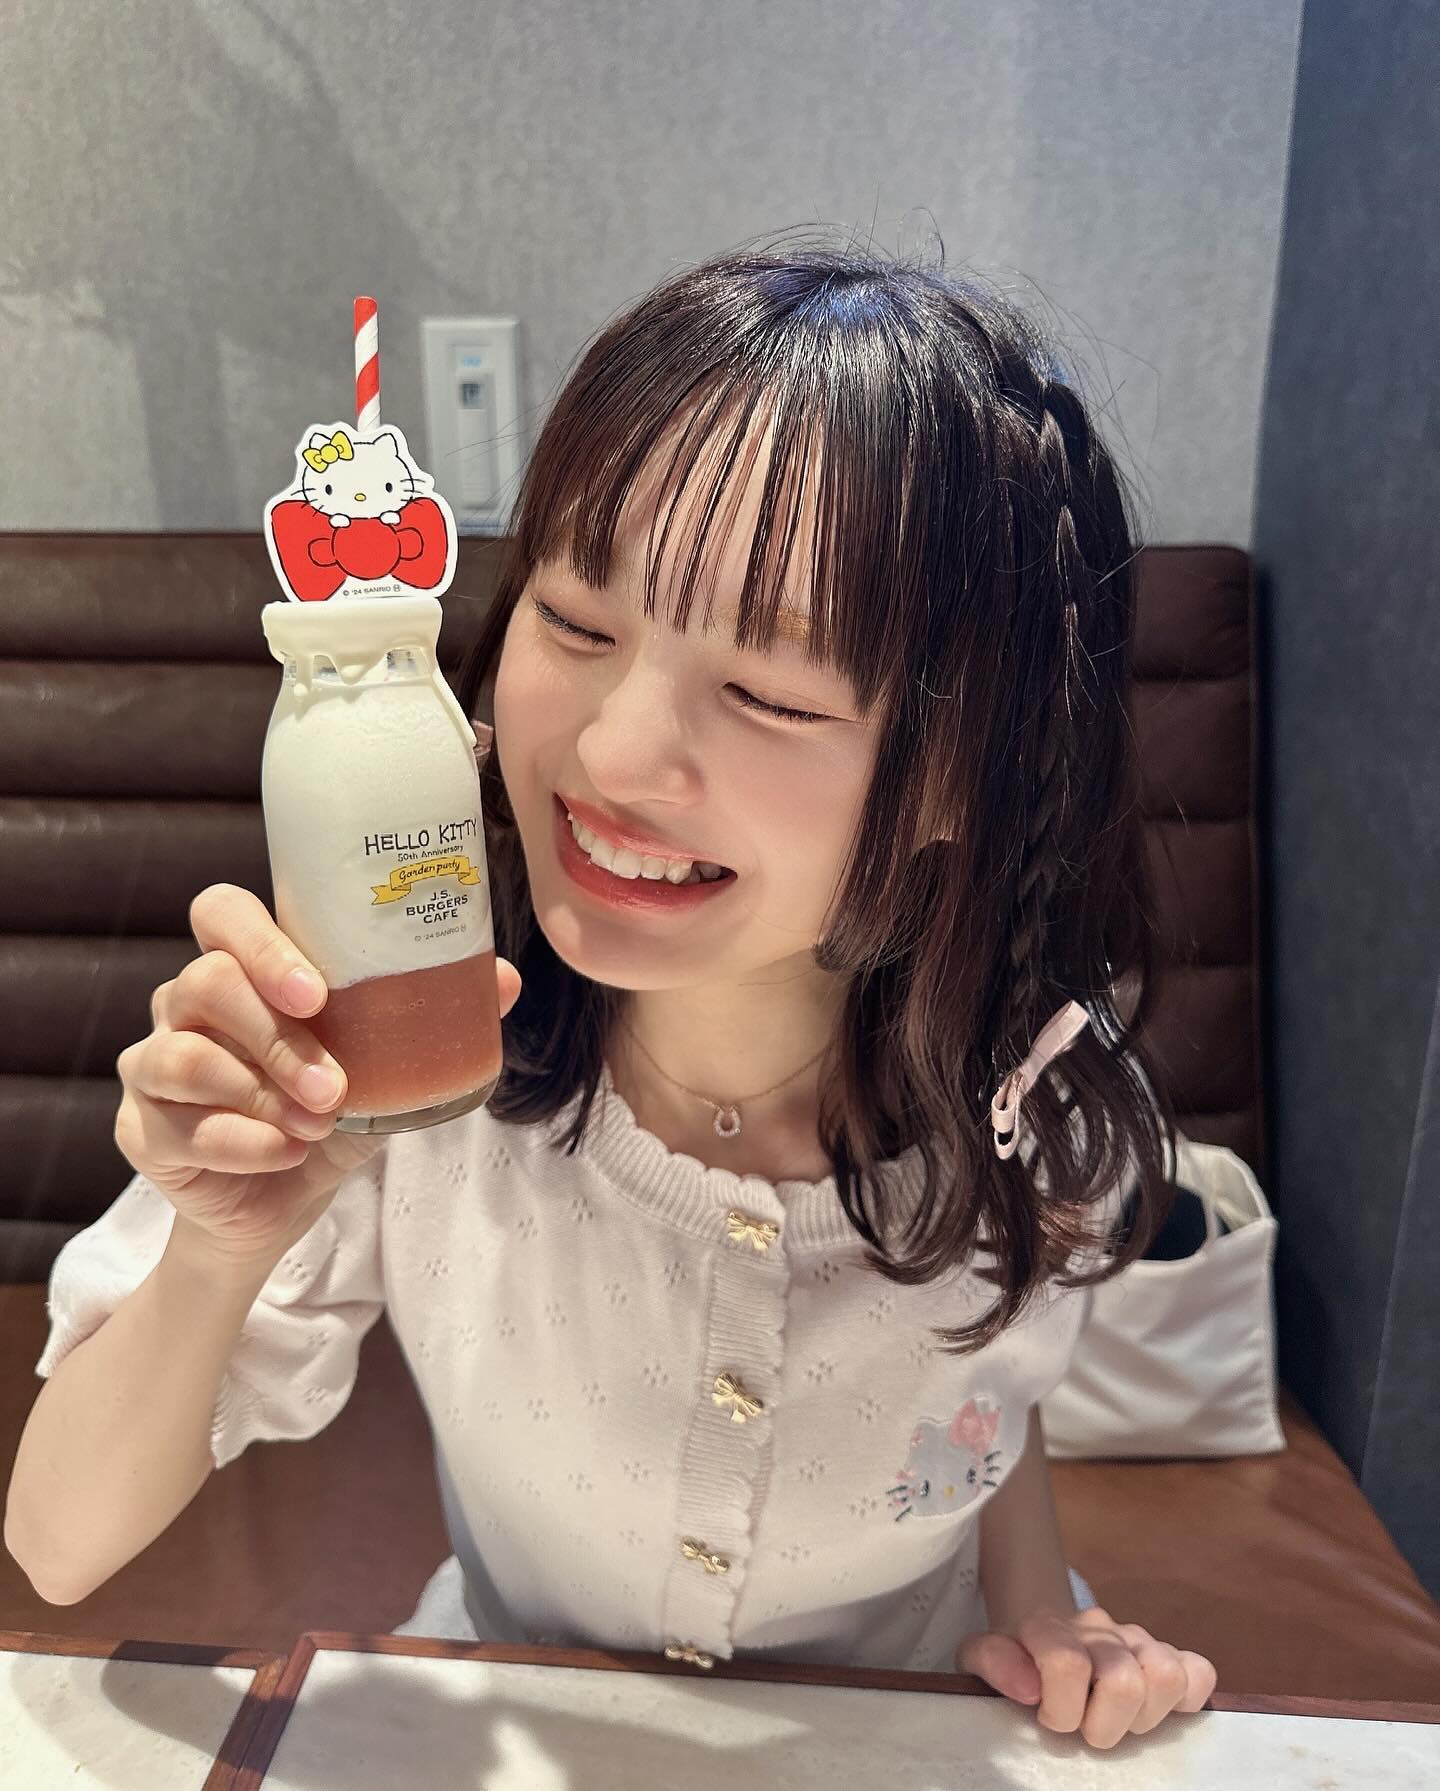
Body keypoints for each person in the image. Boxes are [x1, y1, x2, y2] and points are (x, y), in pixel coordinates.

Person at [6, 233, 1218, 1751]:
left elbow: (989, 1387)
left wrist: (1038, 1612)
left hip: (901, 1742)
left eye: (769, 690)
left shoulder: (1040, 1114)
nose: (609, 754)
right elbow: (57, 1545)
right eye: (578, 621)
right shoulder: (420, 1075)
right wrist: (218, 1248)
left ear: (962, 777)